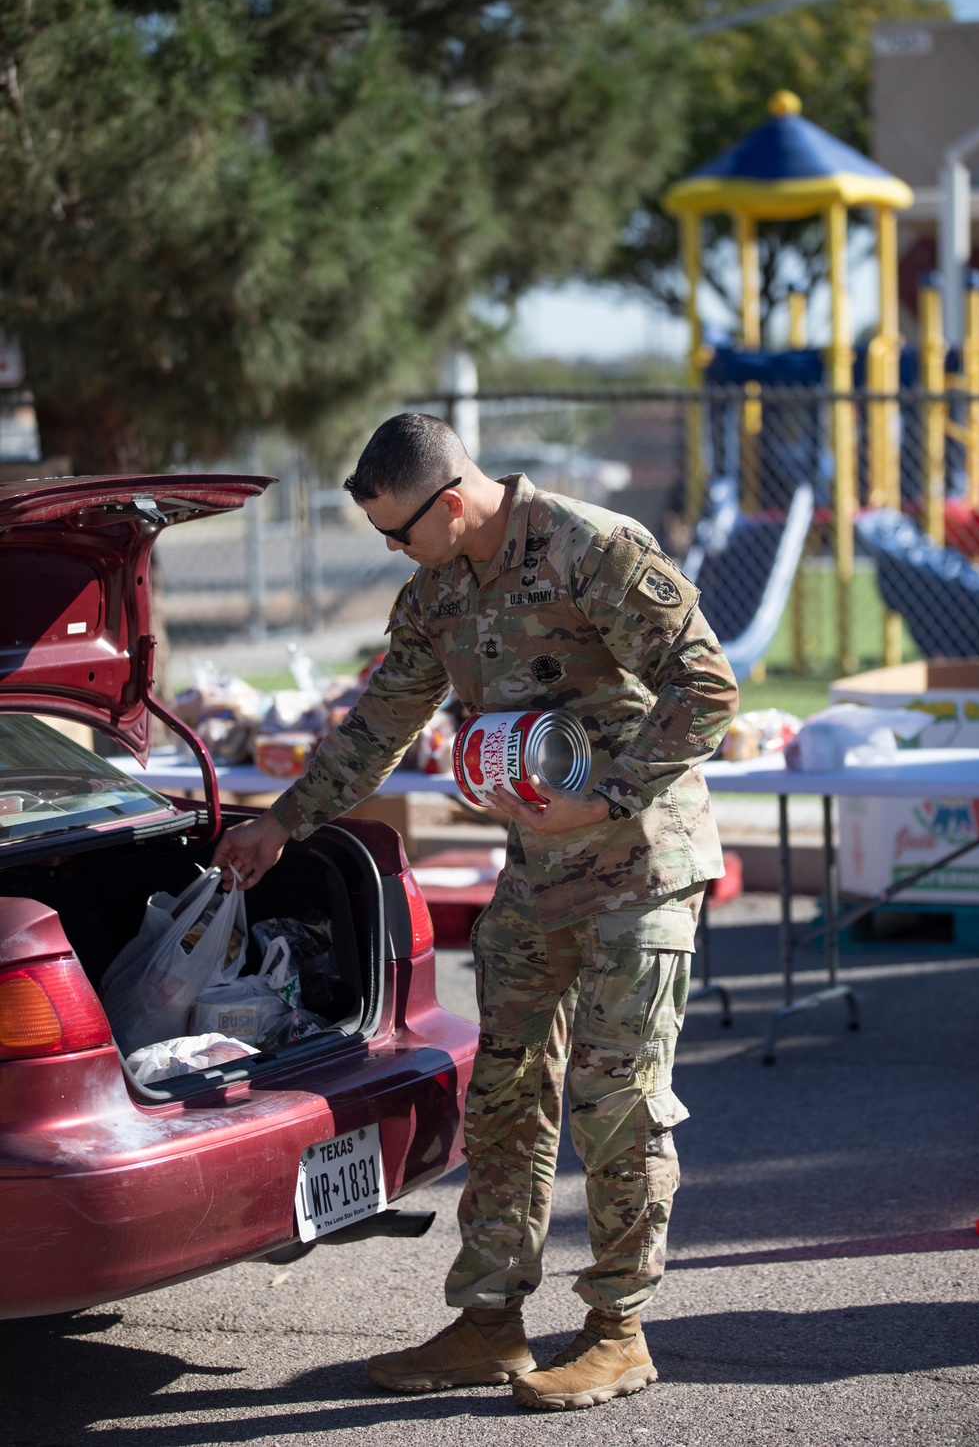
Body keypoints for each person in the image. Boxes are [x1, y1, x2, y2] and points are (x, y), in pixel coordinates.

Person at [213, 412, 738, 1412]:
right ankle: (491, 1322)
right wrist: (282, 823)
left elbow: (707, 684)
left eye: (398, 532)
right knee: (504, 1093)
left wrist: (612, 792)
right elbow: (379, 723)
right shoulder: (437, 589)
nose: (391, 552)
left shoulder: (594, 550)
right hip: (537, 873)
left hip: (639, 863)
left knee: (615, 1100)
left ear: (451, 502)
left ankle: (616, 1330)